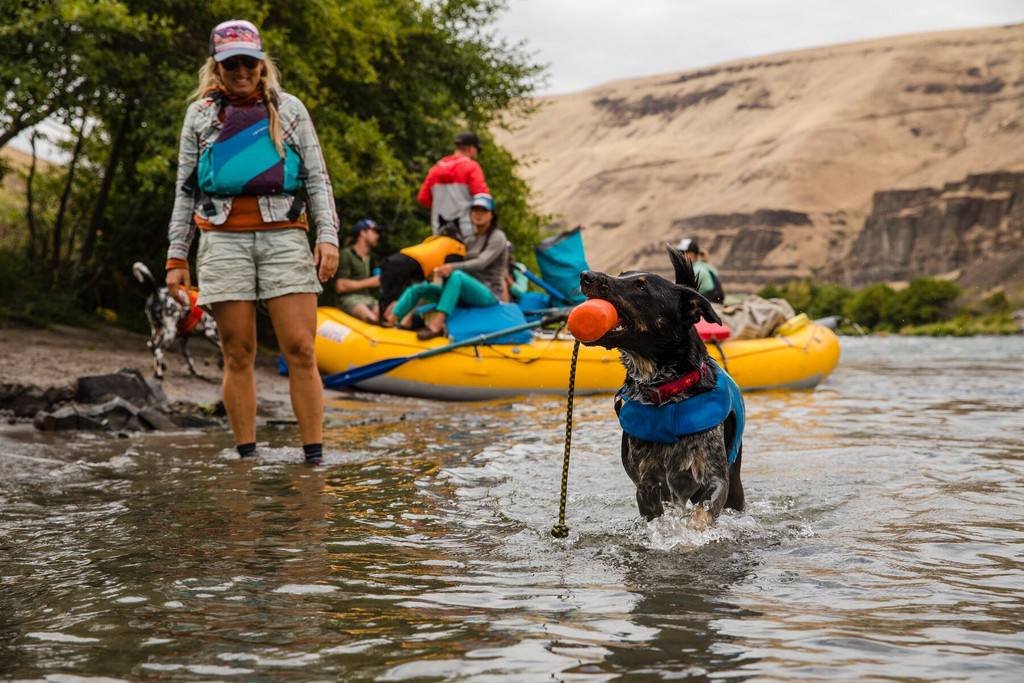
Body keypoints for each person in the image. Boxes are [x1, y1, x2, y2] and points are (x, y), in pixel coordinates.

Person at [165, 19, 339, 465]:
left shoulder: (292, 109)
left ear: (262, 63)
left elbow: (317, 179)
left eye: (249, 62)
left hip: (285, 237)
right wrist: (176, 256)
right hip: (223, 241)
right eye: (231, 64)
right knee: (237, 351)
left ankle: (314, 462)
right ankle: (246, 460)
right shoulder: (199, 115)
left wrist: (329, 237)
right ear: (216, 67)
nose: (241, 70)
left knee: (301, 348)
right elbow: (186, 189)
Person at [386, 193, 507, 340]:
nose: (479, 214)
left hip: (488, 292)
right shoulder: (469, 240)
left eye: (484, 211)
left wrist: (450, 267)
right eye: (475, 210)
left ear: (492, 215)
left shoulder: (497, 236)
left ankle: (435, 326)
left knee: (456, 276)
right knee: (419, 288)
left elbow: (481, 263)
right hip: (463, 290)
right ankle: (390, 321)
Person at [417, 131, 489, 241]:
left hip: (439, 230)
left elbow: (423, 198)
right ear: (471, 148)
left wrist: (444, 206)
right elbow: (483, 200)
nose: (476, 154)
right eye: (477, 150)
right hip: (466, 231)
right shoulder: (472, 167)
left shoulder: (435, 169)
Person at [334, 218, 382, 323]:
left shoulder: (369, 257)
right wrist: (371, 282)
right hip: (348, 299)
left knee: (391, 314)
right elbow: (340, 286)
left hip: (368, 298)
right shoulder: (346, 254)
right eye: (374, 232)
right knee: (372, 319)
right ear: (363, 233)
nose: (377, 236)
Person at [677, 237, 724, 304]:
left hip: (711, 303)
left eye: (682, 253)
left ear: (691, 254)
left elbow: (684, 292)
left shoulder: (696, 270)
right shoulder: (701, 265)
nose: (679, 255)